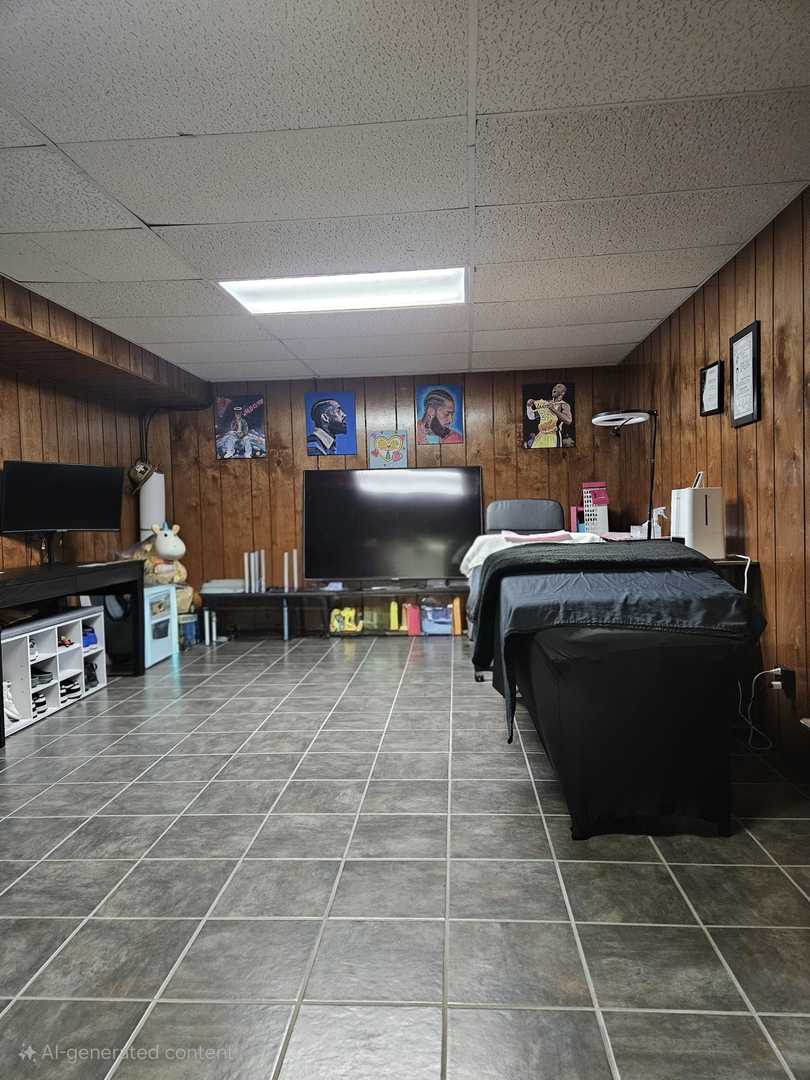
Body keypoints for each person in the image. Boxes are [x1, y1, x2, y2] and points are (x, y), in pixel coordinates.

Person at [525, 383, 572, 448]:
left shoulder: (564, 405)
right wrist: (529, 406)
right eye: (555, 386)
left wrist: (553, 409)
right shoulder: (546, 403)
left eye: (559, 387)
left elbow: (568, 421)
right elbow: (531, 416)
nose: (555, 387)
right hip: (541, 435)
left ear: (563, 393)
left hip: (553, 436)